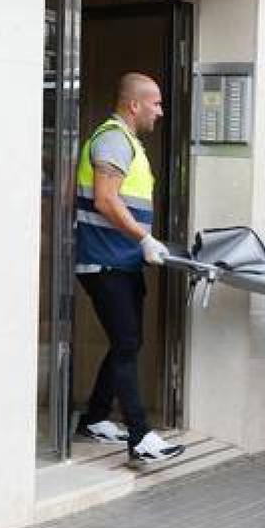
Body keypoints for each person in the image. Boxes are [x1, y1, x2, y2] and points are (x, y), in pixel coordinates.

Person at [73, 72, 185, 464]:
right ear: (133, 105)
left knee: (128, 342)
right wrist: (143, 238)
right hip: (104, 262)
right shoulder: (112, 140)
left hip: (120, 261)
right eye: (155, 103)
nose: (160, 110)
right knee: (125, 344)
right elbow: (105, 199)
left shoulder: (129, 143)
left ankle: (95, 418)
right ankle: (139, 437)